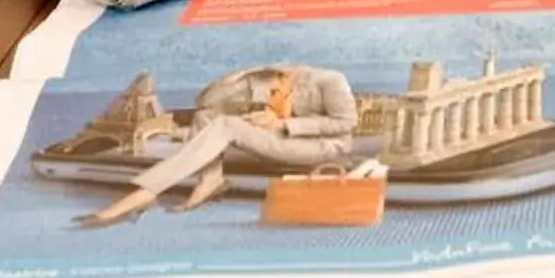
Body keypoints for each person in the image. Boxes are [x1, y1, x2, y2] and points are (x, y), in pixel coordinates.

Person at [79, 65, 359, 228]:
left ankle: (144, 193)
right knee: (207, 116)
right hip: (287, 140)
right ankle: (210, 180)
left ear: (286, 78)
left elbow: (346, 123)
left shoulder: (330, 81)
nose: (266, 99)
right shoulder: (267, 80)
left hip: (322, 146)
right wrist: (233, 79)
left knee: (227, 125)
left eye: (272, 92)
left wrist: (284, 125)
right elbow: (206, 104)